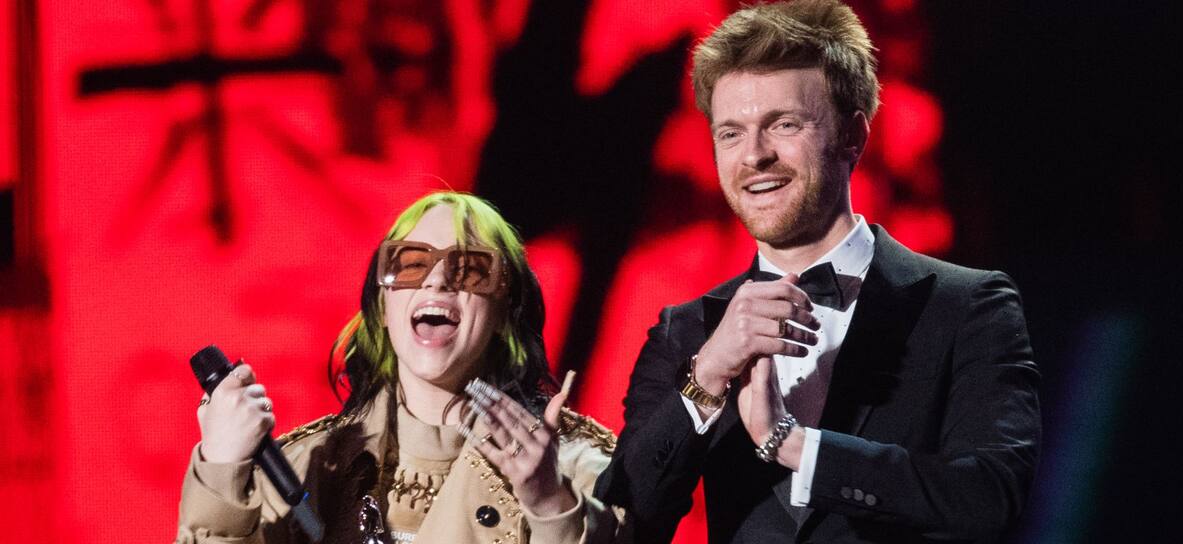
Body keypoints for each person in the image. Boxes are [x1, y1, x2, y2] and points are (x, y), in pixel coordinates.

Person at [595, 1, 1041, 543]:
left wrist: (794, 444)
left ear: (853, 136)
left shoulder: (967, 305)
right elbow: (625, 524)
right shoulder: (685, 332)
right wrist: (706, 378)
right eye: (730, 133)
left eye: (783, 124)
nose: (754, 156)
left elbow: (990, 498)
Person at [176, 192, 623, 543]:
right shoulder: (304, 469)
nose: (437, 280)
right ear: (383, 305)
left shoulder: (580, 470)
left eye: (469, 269)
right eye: (409, 264)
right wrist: (221, 468)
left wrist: (550, 506)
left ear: (505, 312)